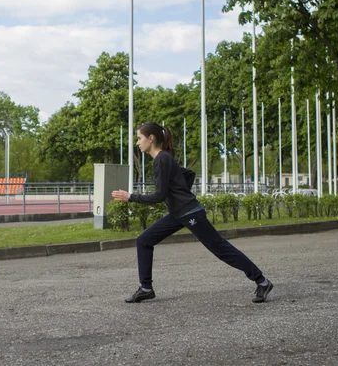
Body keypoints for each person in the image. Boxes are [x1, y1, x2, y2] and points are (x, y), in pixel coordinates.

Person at [112, 122, 273, 304]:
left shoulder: (162, 159)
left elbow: (159, 194)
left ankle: (262, 281)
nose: (137, 142)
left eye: (139, 138)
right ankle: (146, 288)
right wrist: (176, 198)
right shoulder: (163, 158)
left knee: (220, 249)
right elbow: (188, 175)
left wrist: (130, 197)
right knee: (144, 240)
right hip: (179, 212)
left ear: (151, 138)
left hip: (190, 213)